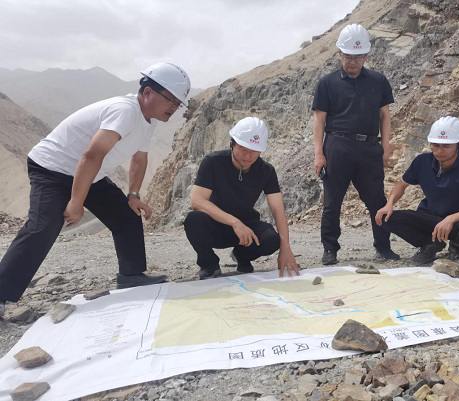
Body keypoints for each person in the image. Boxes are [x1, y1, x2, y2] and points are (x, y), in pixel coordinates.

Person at [0, 62, 192, 317]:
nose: (174, 107)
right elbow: (91, 155)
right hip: (52, 167)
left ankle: (131, 276)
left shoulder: (149, 120)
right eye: (171, 100)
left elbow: (139, 158)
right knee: (43, 227)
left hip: (89, 173)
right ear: (148, 92)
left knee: (126, 215)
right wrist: (76, 201)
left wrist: (133, 194)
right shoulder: (125, 111)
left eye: (178, 103)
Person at [312, 23, 400, 266]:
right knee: (332, 202)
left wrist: (385, 146)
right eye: (348, 55)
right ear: (339, 54)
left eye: (358, 56)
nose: (353, 61)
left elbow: (384, 116)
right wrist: (319, 153)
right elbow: (319, 121)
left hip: (369, 147)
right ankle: (330, 249)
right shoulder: (326, 83)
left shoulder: (379, 81)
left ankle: (383, 247)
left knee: (377, 200)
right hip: (337, 146)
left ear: (367, 55)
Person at [184, 117, 300, 279]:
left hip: (247, 229)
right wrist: (235, 222)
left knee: (272, 239)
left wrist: (286, 248)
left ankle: (242, 256)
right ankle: (209, 264)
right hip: (216, 224)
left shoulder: (266, 171)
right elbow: (197, 201)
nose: (248, 156)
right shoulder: (213, 162)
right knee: (194, 220)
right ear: (232, 144)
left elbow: (278, 210)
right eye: (243, 149)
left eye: (254, 151)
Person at [375, 117, 459, 265]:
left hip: (458, 222)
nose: (439, 150)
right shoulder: (422, 161)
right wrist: (389, 203)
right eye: (435, 145)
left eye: (446, 146)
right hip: (429, 218)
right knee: (385, 218)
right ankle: (430, 244)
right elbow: (401, 185)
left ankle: (457, 248)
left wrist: (451, 218)